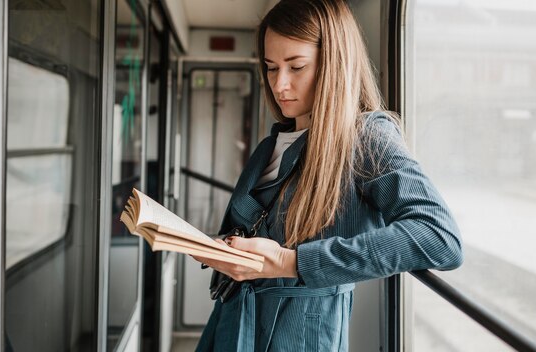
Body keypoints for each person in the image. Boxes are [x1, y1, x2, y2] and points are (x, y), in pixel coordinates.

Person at [193, 0, 463, 350]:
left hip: (299, 333)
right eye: (271, 68)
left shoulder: (366, 137)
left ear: (335, 64)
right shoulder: (270, 144)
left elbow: (439, 237)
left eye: (297, 66)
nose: (280, 85)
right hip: (233, 318)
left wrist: (291, 262)